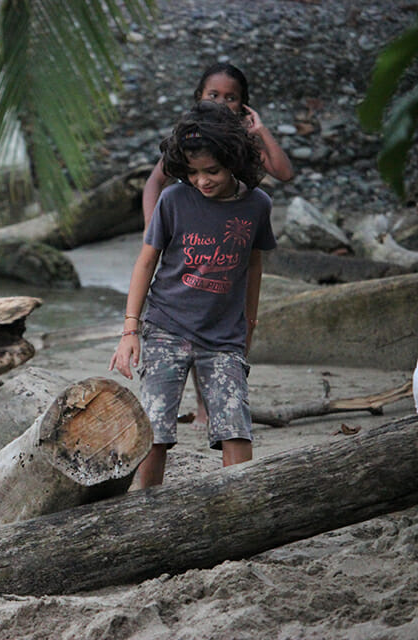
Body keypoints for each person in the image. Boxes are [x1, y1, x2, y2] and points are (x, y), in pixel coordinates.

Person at [109, 100, 275, 488]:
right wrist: (129, 331)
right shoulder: (174, 200)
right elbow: (146, 262)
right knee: (155, 430)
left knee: (235, 426)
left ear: (234, 160)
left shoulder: (257, 206)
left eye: (212, 171)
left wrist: (249, 323)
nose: (202, 181)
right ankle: (143, 512)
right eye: (194, 172)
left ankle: (240, 506)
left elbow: (253, 265)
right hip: (166, 328)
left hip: (224, 338)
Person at [141, 62, 294, 431]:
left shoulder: (239, 147)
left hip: (233, 236)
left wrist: (261, 130)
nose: (223, 103)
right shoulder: (193, 143)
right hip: (192, 243)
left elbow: (283, 172)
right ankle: (201, 405)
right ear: (199, 98)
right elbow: (153, 184)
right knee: (188, 313)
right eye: (214, 95)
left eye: (232, 98)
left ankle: (213, 404)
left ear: (244, 105)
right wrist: (153, 233)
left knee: (216, 317)